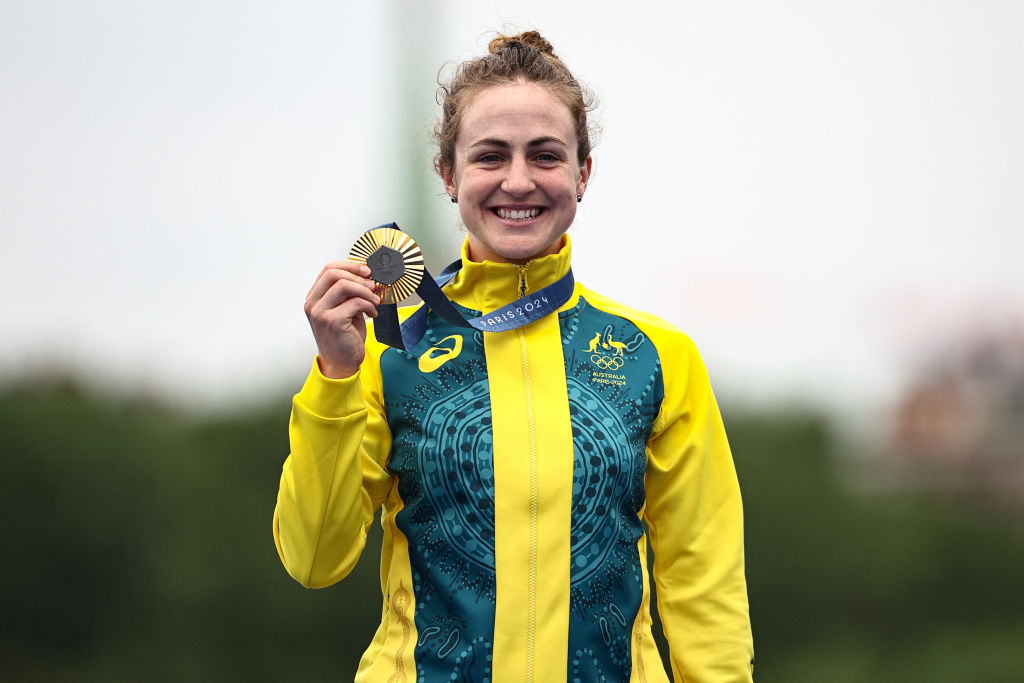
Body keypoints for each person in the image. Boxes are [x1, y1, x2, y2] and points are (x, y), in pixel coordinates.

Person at [274, 30, 754, 682]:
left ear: (583, 172)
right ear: (449, 174)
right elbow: (314, 557)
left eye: (546, 155)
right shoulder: (388, 354)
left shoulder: (658, 357)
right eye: (491, 156)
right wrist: (335, 374)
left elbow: (706, 586)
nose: (519, 180)